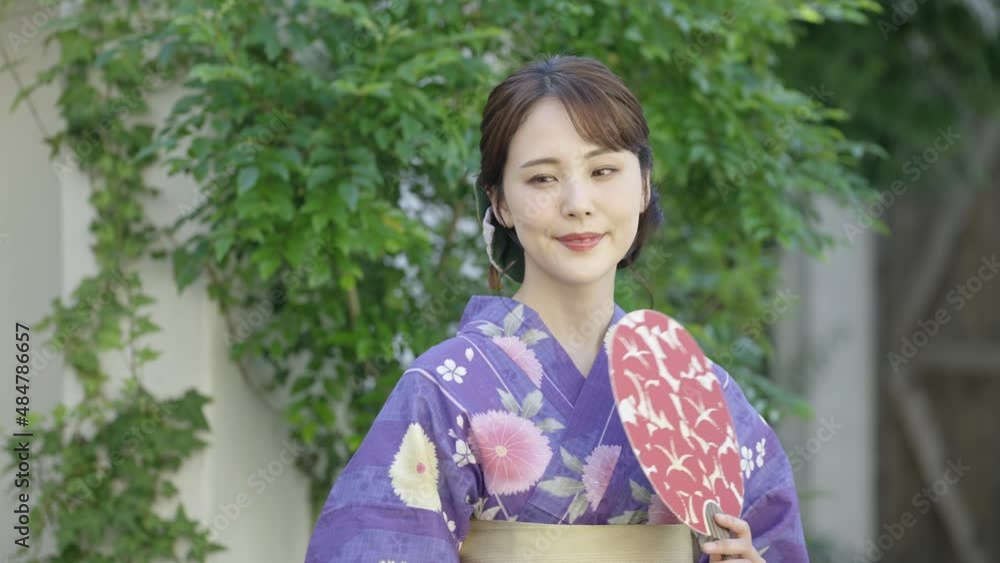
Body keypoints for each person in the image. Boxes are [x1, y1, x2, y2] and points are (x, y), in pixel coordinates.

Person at [304, 55, 807, 563]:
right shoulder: (445, 390)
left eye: (604, 170)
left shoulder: (699, 394)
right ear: (500, 202)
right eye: (543, 179)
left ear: (644, 184)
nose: (578, 203)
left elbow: (774, 541)